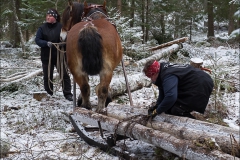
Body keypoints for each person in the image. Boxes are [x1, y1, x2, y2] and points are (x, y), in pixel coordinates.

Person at [143, 60, 214, 119]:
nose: (151, 79)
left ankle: (195, 126)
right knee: (168, 108)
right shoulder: (162, 70)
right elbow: (163, 92)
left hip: (200, 84)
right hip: (193, 83)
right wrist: (157, 105)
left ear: (155, 72)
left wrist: (157, 111)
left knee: (177, 109)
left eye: (150, 76)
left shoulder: (168, 75)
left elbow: (171, 97)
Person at [35, 8, 73, 101]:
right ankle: (49, 92)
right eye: (47, 15)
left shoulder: (62, 27)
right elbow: (37, 40)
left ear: (55, 17)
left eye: (50, 16)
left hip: (60, 56)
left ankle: (68, 94)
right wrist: (46, 43)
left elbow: (68, 37)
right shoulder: (42, 28)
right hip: (46, 56)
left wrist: (65, 43)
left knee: (64, 74)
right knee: (47, 75)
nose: (48, 17)